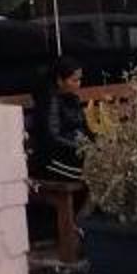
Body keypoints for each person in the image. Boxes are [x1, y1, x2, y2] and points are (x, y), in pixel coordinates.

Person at [42, 53, 89, 185]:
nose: (78, 84)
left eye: (79, 80)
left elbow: (84, 127)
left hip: (75, 155)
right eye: (74, 80)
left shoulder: (73, 99)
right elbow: (53, 137)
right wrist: (81, 146)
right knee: (95, 173)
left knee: (108, 168)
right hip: (55, 160)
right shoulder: (51, 101)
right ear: (59, 80)